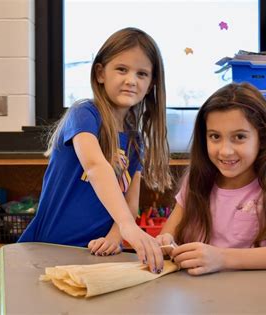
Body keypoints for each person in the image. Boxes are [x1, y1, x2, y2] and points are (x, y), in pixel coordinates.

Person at [19, 27, 172, 273]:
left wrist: (115, 236)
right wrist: (128, 227)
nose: (131, 80)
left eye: (142, 73)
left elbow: (131, 203)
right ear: (101, 73)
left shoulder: (135, 141)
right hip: (48, 248)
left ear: (151, 83)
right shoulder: (85, 113)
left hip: (94, 256)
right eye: (121, 69)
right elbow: (95, 166)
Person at [157, 82, 266, 275]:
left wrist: (221, 258)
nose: (225, 151)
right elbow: (167, 236)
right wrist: (165, 242)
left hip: (253, 298)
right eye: (214, 136)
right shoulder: (195, 182)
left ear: (262, 139)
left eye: (239, 137)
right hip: (199, 297)